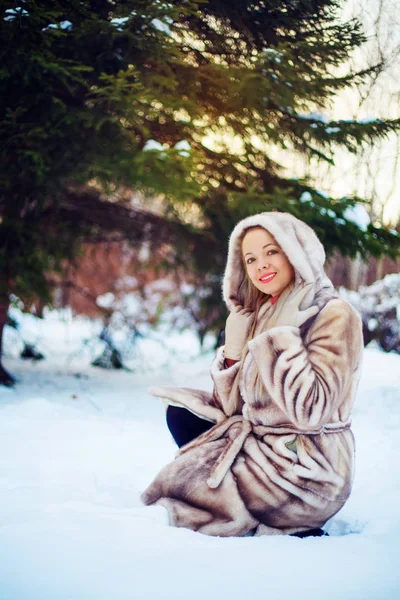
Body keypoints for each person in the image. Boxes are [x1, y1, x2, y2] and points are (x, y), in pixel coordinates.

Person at [141, 212, 364, 537]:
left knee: (188, 490)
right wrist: (234, 349)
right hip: (262, 444)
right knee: (182, 419)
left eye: (272, 251)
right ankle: (264, 509)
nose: (261, 264)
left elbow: (312, 411)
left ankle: (290, 521)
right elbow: (235, 409)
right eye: (251, 258)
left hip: (310, 462)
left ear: (296, 251)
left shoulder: (335, 314)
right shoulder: (265, 311)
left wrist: (283, 334)